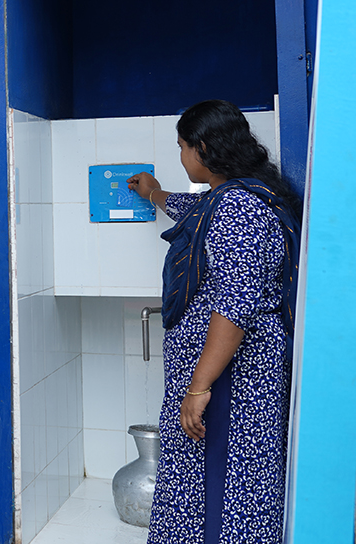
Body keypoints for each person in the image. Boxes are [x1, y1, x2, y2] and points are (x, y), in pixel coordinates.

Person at [127, 100, 301, 544]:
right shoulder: (234, 200)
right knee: (209, 490)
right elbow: (193, 211)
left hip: (230, 386)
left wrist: (199, 386)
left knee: (226, 495)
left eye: (182, 147)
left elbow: (236, 304)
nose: (182, 156)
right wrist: (153, 192)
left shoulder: (239, 208)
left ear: (202, 148)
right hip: (226, 380)